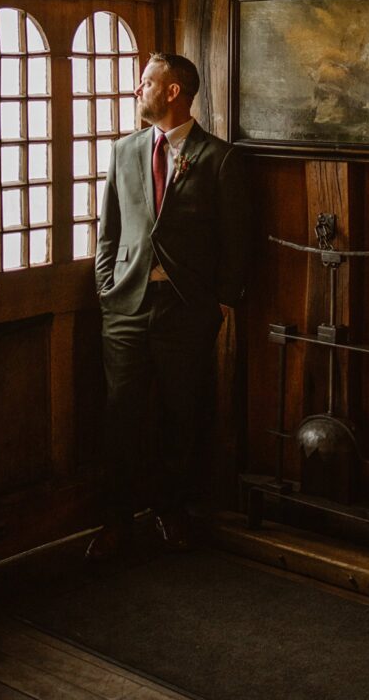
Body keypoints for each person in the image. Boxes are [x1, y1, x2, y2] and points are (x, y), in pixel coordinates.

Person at [86, 52, 251, 560]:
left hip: (186, 312)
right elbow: (108, 229)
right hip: (126, 307)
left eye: (146, 82)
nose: (138, 90)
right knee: (120, 417)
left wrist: (219, 303)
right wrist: (106, 286)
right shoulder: (124, 151)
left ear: (173, 91)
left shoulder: (218, 158)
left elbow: (236, 243)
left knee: (183, 416)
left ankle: (170, 511)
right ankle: (115, 522)